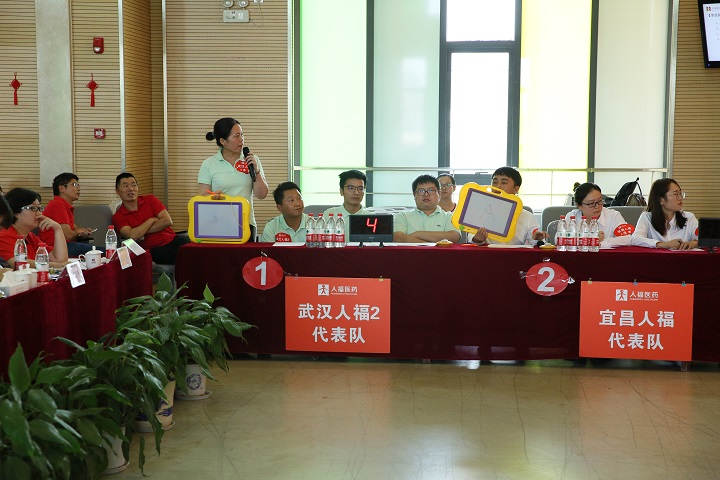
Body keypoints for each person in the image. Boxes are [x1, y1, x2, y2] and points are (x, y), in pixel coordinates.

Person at [198, 117, 269, 241]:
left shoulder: (252, 160)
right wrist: (213, 197)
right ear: (223, 141)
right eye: (236, 136)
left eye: (242, 134)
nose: (241, 139)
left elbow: (262, 194)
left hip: (246, 224)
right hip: (218, 224)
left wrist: (256, 171)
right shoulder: (208, 164)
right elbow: (203, 197)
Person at [112, 172, 190, 265]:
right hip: (152, 249)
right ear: (117, 191)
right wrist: (151, 220)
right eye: (125, 186)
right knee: (182, 256)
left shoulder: (150, 200)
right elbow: (132, 235)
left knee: (189, 246)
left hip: (173, 239)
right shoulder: (118, 216)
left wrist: (140, 232)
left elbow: (167, 221)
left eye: (134, 185)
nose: (131, 189)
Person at [472, 167, 547, 245]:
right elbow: (472, 237)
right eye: (495, 182)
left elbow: (536, 241)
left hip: (515, 253)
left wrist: (537, 239)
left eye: (504, 183)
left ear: (516, 189)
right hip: (486, 252)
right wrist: (476, 239)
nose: (498, 186)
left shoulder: (527, 216)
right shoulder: (481, 212)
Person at [0, 188, 68, 269]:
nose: (39, 213)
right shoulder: (4, 236)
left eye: (39, 208)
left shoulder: (30, 236)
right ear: (15, 212)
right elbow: (17, 263)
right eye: (33, 208)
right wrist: (56, 265)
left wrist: (58, 229)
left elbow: (60, 260)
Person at [40, 172, 104, 257]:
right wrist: (78, 232)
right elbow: (69, 235)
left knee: (101, 252)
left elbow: (74, 231)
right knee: (105, 252)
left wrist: (82, 232)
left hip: (67, 246)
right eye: (74, 185)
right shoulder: (57, 204)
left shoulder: (65, 206)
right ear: (61, 188)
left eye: (78, 185)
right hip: (56, 248)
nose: (78, 188)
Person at [631, 178, 698, 250]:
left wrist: (693, 243)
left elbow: (702, 239)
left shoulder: (689, 217)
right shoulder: (647, 217)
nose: (680, 198)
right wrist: (663, 244)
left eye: (680, 194)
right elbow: (635, 239)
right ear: (661, 200)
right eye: (675, 194)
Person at [393, 174, 460, 243]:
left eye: (431, 190)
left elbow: (454, 237)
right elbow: (398, 237)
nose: (426, 194)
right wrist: (430, 247)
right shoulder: (403, 216)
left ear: (439, 194)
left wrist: (417, 234)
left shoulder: (449, 216)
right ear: (414, 195)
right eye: (421, 191)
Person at [566, 182, 632, 248]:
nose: (597, 206)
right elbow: (561, 239)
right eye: (591, 203)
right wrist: (590, 237)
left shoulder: (613, 216)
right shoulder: (572, 217)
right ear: (579, 206)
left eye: (599, 201)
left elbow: (627, 239)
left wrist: (600, 243)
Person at [323, 169, 370, 234]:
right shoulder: (330, 215)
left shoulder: (370, 217)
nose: (356, 192)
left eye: (360, 189)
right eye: (351, 188)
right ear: (341, 191)